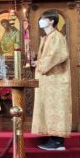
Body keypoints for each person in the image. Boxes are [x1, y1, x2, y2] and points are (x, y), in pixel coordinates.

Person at [32, 10, 71, 150]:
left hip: (56, 79)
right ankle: (53, 138)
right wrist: (37, 61)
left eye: (44, 19)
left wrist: (40, 64)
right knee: (49, 107)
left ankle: (58, 141)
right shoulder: (47, 37)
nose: (40, 21)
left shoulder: (56, 36)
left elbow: (58, 55)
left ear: (51, 21)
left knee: (56, 107)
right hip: (48, 80)